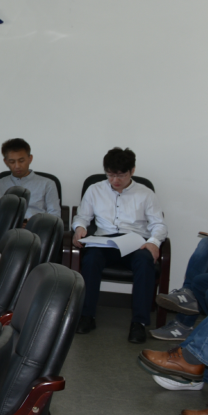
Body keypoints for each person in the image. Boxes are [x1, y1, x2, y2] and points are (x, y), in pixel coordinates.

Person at [73, 147, 167, 343]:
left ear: (132, 171)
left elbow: (158, 224)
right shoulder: (95, 189)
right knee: (91, 259)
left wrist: (154, 242)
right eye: (110, 174)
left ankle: (139, 323)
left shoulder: (146, 194)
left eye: (121, 175)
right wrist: (79, 228)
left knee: (145, 261)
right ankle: (87, 316)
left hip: (135, 243)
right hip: (104, 241)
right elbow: (82, 216)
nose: (115, 180)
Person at [0, 138, 61, 223]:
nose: (17, 166)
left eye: (21, 161)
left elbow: (54, 215)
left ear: (30, 159)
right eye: (12, 162)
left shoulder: (47, 184)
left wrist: (35, 222)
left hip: (36, 227)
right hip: (5, 228)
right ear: (6, 162)